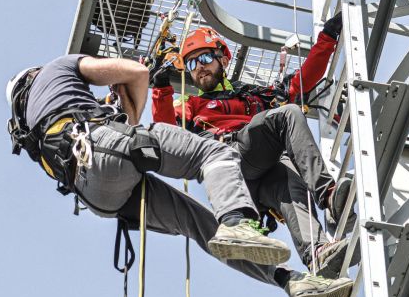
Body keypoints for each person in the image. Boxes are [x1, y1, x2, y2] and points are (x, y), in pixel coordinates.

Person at [6, 54, 353, 297]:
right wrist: (142, 88)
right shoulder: (57, 68)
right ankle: (237, 221)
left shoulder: (32, 130)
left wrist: (123, 108)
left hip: (99, 196)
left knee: (199, 225)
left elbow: (122, 125)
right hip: (101, 143)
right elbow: (136, 74)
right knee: (214, 155)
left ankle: (290, 281)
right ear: (34, 74)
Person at [150, 14, 358, 278]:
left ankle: (318, 254)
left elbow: (304, 79)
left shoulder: (256, 97)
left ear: (223, 60)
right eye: (191, 63)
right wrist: (161, 89)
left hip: (262, 171)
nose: (199, 68)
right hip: (229, 161)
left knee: (291, 182)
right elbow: (166, 132)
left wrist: (328, 36)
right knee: (288, 114)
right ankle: (328, 194)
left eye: (204, 58)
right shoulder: (190, 106)